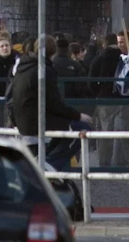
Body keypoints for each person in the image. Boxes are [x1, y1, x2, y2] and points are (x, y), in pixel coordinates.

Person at [9, 35, 88, 166]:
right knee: (82, 127)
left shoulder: (23, 67)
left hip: (22, 121)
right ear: (53, 51)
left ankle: (44, 161)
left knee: (64, 132)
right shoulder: (44, 70)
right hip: (36, 122)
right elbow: (54, 103)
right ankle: (49, 165)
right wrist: (78, 115)